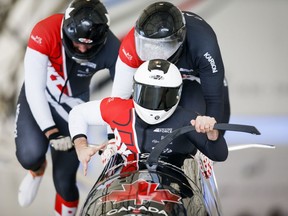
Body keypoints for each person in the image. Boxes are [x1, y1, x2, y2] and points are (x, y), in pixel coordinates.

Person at [14, 0, 120, 215]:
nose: (81, 48)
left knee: (64, 180)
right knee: (29, 155)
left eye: (89, 44)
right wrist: (50, 131)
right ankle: (36, 170)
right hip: (40, 96)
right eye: (76, 42)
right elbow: (34, 88)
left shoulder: (113, 48)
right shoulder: (44, 31)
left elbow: (120, 97)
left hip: (73, 107)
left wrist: (114, 135)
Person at [68, 59, 228, 177]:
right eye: (148, 95)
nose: (154, 103)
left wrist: (212, 133)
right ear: (135, 90)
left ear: (177, 95)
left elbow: (219, 154)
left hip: (173, 186)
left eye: (162, 96)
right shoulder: (119, 109)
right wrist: (81, 146)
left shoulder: (188, 119)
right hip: (125, 185)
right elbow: (78, 113)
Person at [111, 1, 230, 127]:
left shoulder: (204, 46)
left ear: (180, 40)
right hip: (158, 81)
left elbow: (214, 99)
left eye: (162, 46)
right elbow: (118, 99)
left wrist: (212, 127)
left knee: (206, 128)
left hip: (195, 79)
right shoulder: (131, 43)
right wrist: (112, 138)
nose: (155, 54)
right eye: (148, 46)